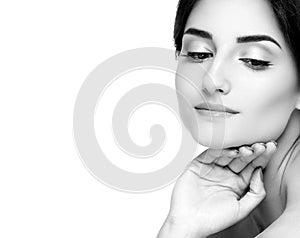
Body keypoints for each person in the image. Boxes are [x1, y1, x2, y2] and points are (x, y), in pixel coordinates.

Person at [157, 0, 300, 237]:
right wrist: (180, 227)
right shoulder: (225, 192)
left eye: (254, 61)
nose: (211, 80)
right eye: (198, 53)